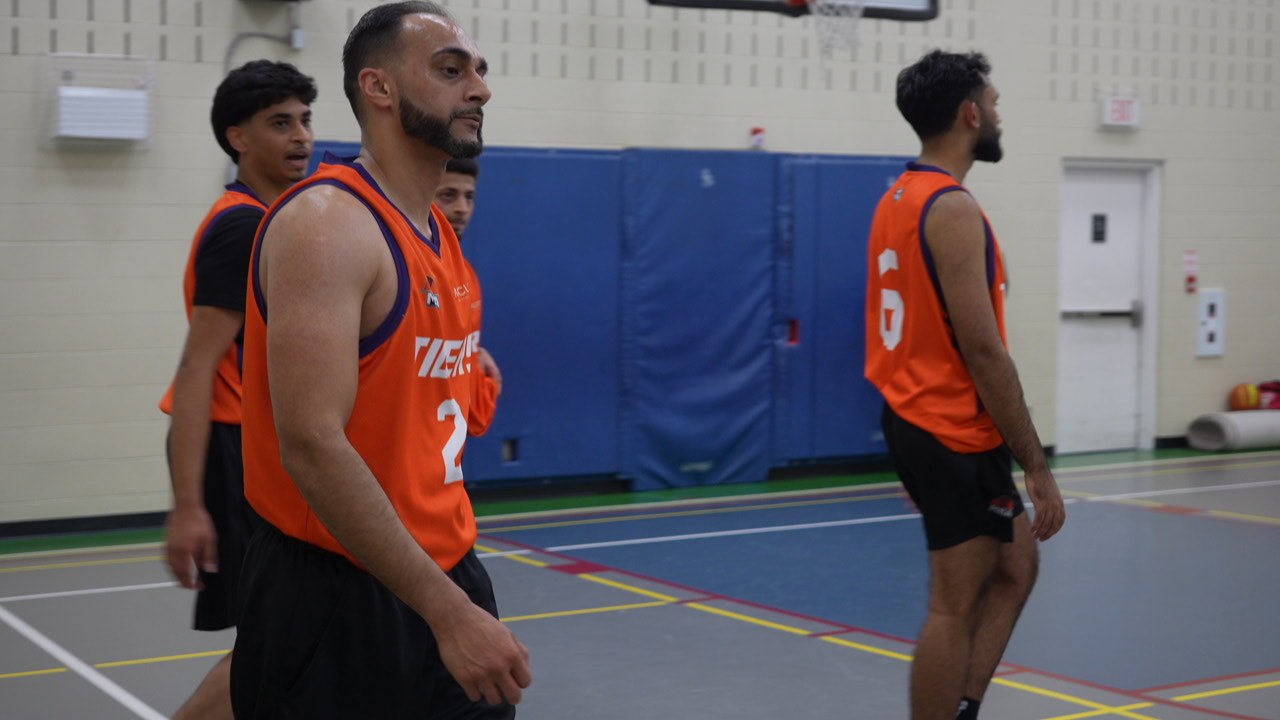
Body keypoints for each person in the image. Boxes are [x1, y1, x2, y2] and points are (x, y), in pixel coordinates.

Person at [231, 3, 531, 718]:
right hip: (338, 591)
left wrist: (454, 599)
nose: (480, 89)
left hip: (444, 569)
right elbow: (312, 443)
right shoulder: (327, 224)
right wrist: (446, 612)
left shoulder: (441, 240)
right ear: (379, 88)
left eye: (480, 71)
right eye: (451, 70)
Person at [864, 50, 1066, 720]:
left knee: (1016, 565)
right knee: (952, 604)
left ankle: (963, 707)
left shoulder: (897, 197)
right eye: (995, 102)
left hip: (924, 419)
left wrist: (911, 439)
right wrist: (1037, 467)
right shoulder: (951, 208)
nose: (999, 114)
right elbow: (983, 350)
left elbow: (910, 333)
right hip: (947, 426)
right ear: (970, 113)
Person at [158, 59, 315, 720]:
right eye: (280, 123)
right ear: (238, 138)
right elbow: (197, 369)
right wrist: (189, 506)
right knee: (276, 644)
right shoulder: (243, 227)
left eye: (305, 120)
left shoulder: (270, 219)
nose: (301, 136)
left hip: (257, 457)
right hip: (237, 459)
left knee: (287, 642)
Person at [434, 157, 502, 436]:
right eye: (448, 195)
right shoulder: (399, 272)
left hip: (445, 449)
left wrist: (485, 378)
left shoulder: (467, 277)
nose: (461, 208)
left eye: (469, 197)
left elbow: (476, 418)